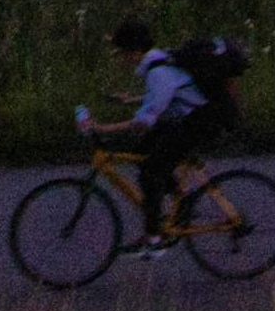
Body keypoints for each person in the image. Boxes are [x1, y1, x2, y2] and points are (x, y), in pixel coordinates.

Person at [85, 15, 226, 255]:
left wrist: (101, 128)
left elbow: (144, 121)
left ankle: (154, 240)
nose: (121, 58)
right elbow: (170, 93)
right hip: (184, 119)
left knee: (151, 171)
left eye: (122, 52)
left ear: (135, 50)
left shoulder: (157, 71)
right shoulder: (157, 63)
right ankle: (179, 201)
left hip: (199, 123)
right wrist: (131, 99)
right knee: (141, 154)